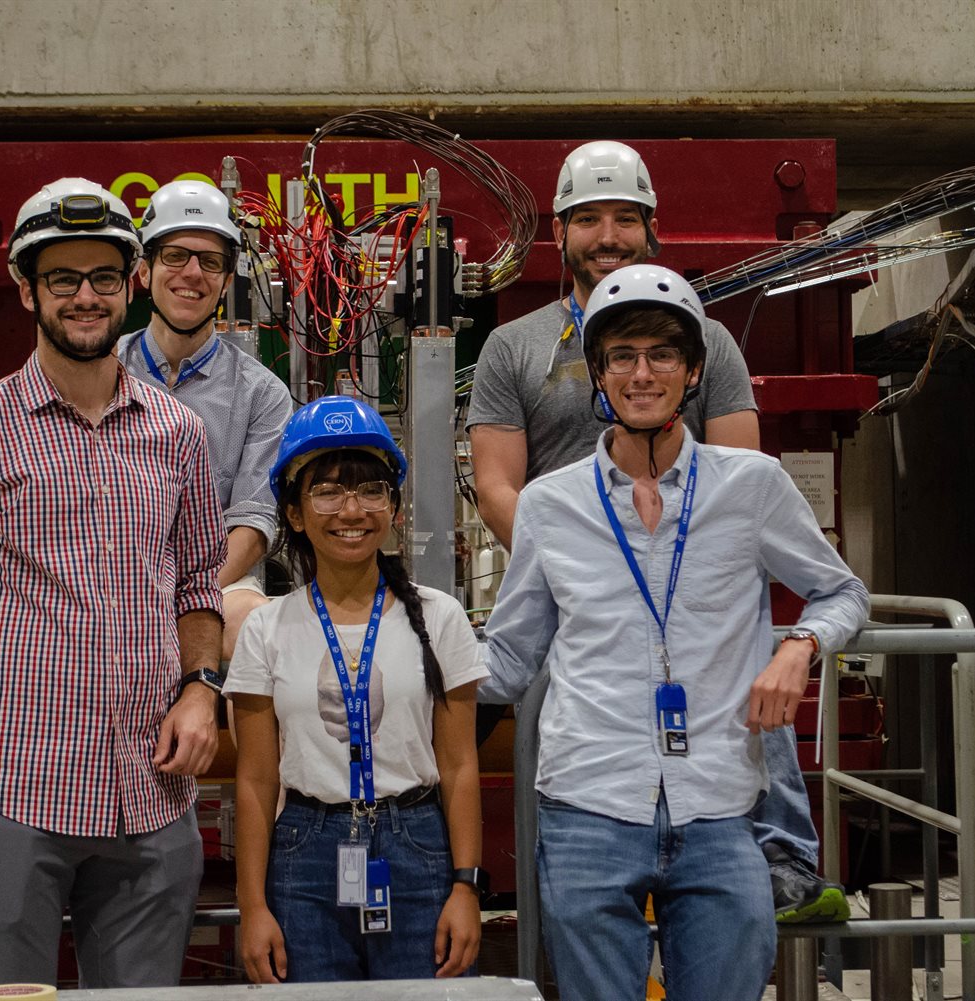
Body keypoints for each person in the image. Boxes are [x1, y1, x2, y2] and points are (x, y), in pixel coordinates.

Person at [467, 139, 845, 923]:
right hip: (575, 583)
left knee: (734, 666)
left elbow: (741, 481)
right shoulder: (515, 346)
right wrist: (574, 560)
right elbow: (500, 481)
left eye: (625, 218)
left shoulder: (709, 338)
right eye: (589, 218)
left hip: (686, 561)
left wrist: (685, 558)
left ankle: (782, 852)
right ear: (560, 232)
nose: (607, 234)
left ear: (653, 228)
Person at [483, 265, 869, 1001]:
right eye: (622, 355)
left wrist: (799, 645)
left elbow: (842, 590)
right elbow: (508, 657)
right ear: (597, 373)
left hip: (720, 805)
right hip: (588, 804)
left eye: (662, 355)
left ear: (693, 371)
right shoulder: (549, 505)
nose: (642, 373)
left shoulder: (750, 486)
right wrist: (402, 652)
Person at [0, 177, 228, 990]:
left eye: (104, 278)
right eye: (63, 279)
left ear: (132, 284)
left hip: (150, 792)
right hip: (14, 788)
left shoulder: (178, 434)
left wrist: (200, 689)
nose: (85, 297)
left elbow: (199, 586)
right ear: (26, 289)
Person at [228, 396, 487, 984]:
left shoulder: (440, 619)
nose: (352, 509)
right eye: (327, 491)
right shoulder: (266, 630)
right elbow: (255, 780)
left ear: (392, 507)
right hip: (304, 854)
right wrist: (254, 907)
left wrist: (465, 887)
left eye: (371, 490)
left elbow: (460, 764)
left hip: (418, 849)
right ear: (293, 513)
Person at [117, 179, 292, 658]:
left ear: (226, 280)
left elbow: (255, 526)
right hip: (109, 582)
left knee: (256, 631)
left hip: (221, 583)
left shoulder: (262, 395)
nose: (192, 273)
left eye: (210, 262)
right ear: (144, 268)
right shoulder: (100, 372)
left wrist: (182, 596)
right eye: (175, 256)